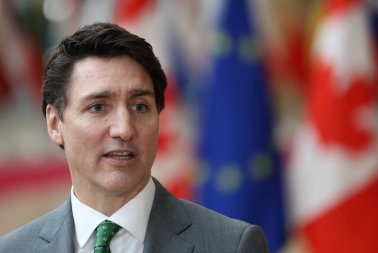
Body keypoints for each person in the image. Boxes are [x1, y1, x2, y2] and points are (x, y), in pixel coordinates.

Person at [0, 22, 270, 253]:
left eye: (140, 106)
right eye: (98, 107)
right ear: (55, 123)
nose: (124, 129)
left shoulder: (232, 245)